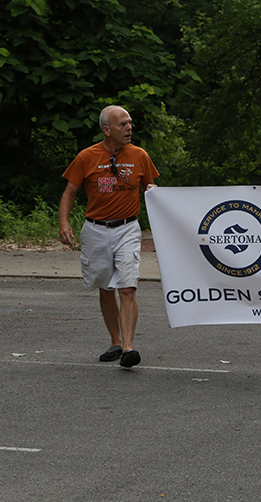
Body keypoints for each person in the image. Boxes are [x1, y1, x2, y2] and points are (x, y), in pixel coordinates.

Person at [59, 105, 159, 367]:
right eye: (123, 124)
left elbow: (151, 190)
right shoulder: (86, 156)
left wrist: (154, 192)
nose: (129, 128)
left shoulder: (140, 155)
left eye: (130, 123)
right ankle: (116, 341)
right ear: (107, 130)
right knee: (105, 287)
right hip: (96, 229)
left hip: (127, 227)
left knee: (127, 287)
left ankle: (128, 348)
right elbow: (70, 192)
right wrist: (63, 222)